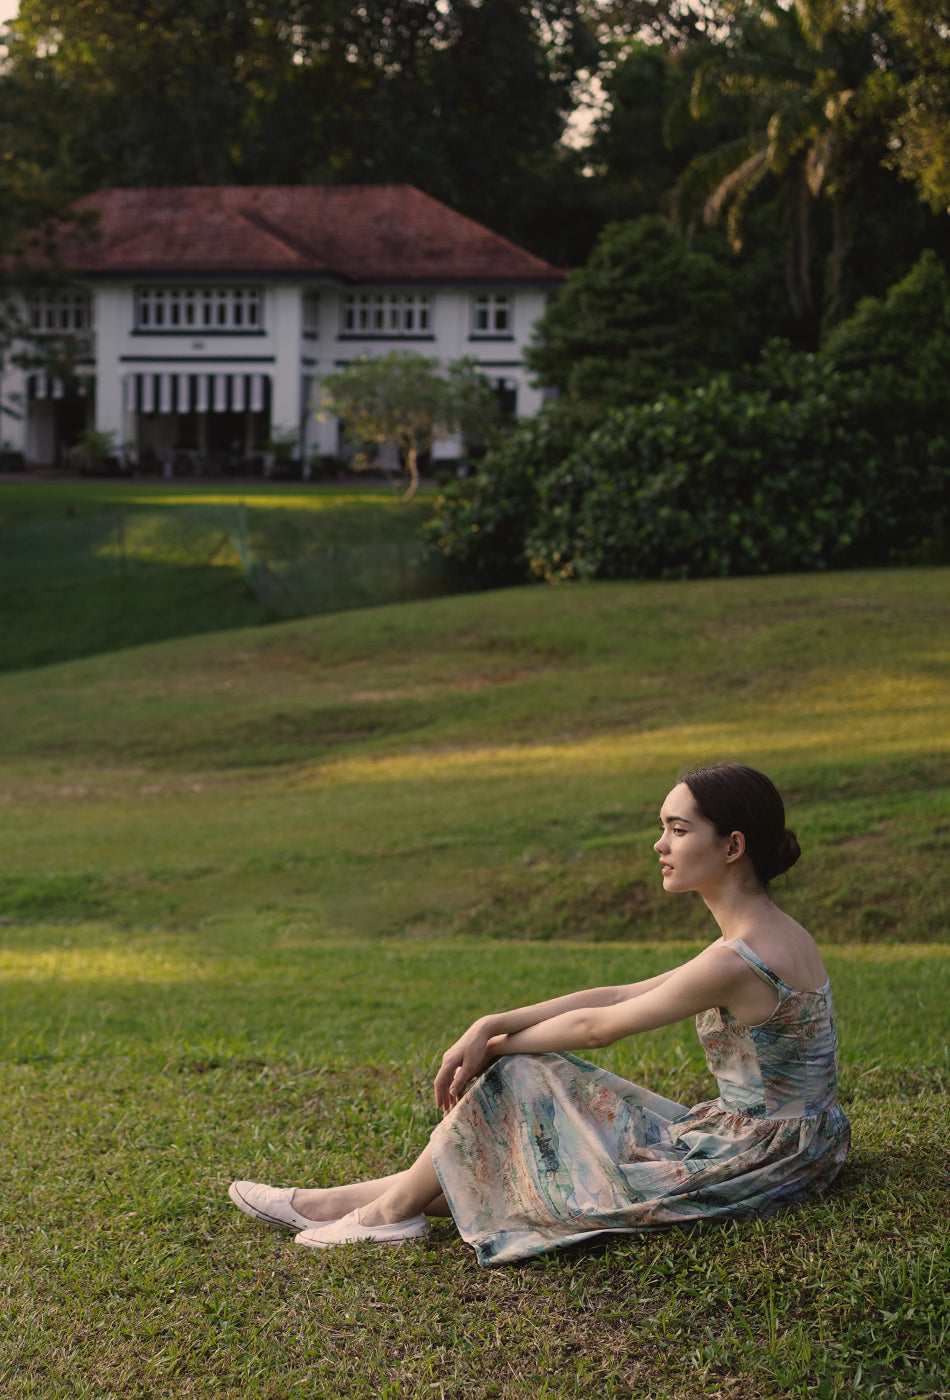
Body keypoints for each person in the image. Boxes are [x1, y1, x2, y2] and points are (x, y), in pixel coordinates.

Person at [228, 763, 850, 1267]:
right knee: (530, 1113)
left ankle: (388, 1215)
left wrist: (499, 1050)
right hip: (786, 1138)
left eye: (678, 830)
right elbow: (616, 993)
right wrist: (492, 1022)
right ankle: (334, 1202)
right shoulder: (761, 936)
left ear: (732, 845)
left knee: (524, 1074)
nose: (659, 845)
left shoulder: (740, 957)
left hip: (759, 1155)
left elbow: (598, 1028)